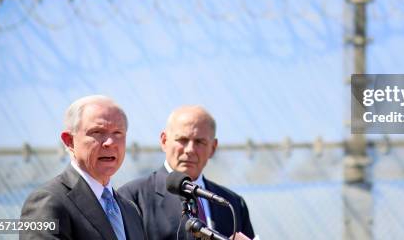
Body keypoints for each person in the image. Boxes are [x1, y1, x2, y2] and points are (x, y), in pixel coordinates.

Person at [20, 95, 147, 240]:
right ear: (69, 141)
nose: (110, 142)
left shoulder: (130, 210)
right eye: (97, 132)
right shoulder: (47, 201)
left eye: (118, 133)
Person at [119, 106, 255, 240]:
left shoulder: (232, 204)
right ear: (164, 141)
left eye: (199, 142)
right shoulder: (132, 198)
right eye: (182, 140)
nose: (190, 149)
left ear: (213, 148)